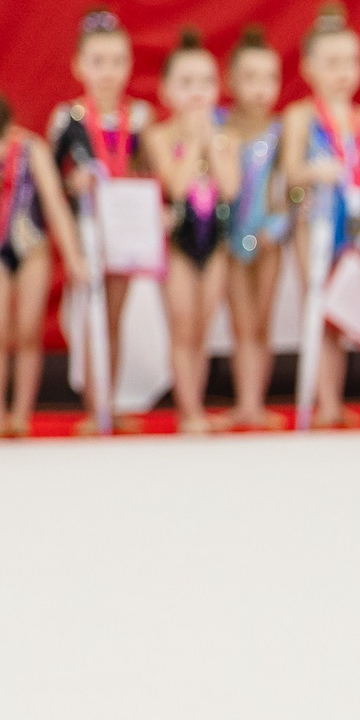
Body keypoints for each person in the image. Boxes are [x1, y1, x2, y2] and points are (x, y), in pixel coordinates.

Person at [0, 83, 85, 438]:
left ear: (7, 129)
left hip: (31, 248)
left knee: (27, 331)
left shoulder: (30, 149)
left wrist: (73, 257)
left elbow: (54, 204)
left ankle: (21, 413)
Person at [279, 0, 360, 430]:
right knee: (319, 307)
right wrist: (313, 171)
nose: (344, 72)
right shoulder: (300, 117)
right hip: (316, 222)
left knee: (344, 312)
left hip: (356, 222)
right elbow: (290, 171)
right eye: (333, 63)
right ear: (309, 68)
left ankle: (334, 400)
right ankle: (321, 401)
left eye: (352, 62)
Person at [48, 9, 151, 432]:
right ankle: (94, 406)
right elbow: (50, 182)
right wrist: (72, 184)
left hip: (128, 227)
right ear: (79, 65)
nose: (108, 72)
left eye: (117, 61)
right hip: (87, 229)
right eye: (98, 62)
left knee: (114, 316)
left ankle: (111, 400)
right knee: (90, 315)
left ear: (129, 65)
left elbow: (150, 169)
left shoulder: (140, 118)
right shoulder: (67, 118)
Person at [142, 30, 241, 432]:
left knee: (203, 326)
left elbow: (230, 188)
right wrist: (195, 143)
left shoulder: (227, 137)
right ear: (166, 91)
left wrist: (212, 142)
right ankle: (189, 410)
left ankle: (196, 402)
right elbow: (177, 186)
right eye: (186, 83)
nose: (197, 93)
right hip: (177, 242)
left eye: (205, 82)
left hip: (214, 241)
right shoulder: (159, 136)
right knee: (182, 325)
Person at [219, 26, 290, 430]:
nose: (262, 89)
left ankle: (256, 402)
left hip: (269, 238)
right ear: (231, 81)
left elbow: (290, 189)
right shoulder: (219, 128)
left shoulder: (282, 132)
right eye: (251, 78)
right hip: (230, 236)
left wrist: (276, 226)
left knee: (262, 322)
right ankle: (244, 403)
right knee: (240, 323)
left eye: (270, 78)